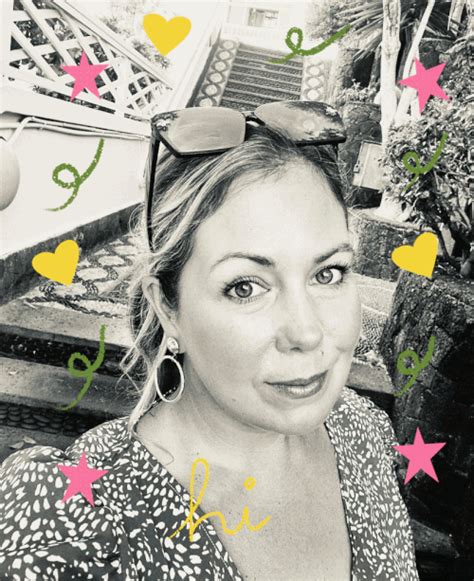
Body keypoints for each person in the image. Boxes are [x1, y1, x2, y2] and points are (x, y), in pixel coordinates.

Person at [0, 101, 419, 580]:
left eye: (329, 273)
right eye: (245, 287)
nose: (307, 333)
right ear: (167, 307)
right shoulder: (79, 526)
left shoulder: (362, 432)